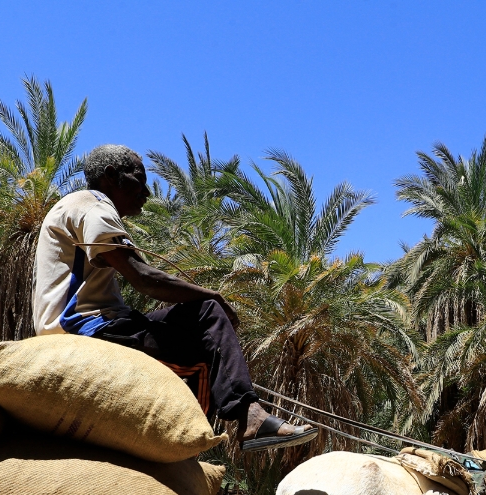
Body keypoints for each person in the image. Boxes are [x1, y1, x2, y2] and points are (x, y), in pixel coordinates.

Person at [32, 144, 317, 452]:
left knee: (206, 325)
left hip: (104, 323)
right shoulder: (93, 204)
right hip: (86, 329)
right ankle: (214, 433)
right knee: (206, 331)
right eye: (140, 178)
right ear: (111, 177)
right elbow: (144, 278)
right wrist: (214, 295)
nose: (147, 192)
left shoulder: (82, 207)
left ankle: (216, 427)